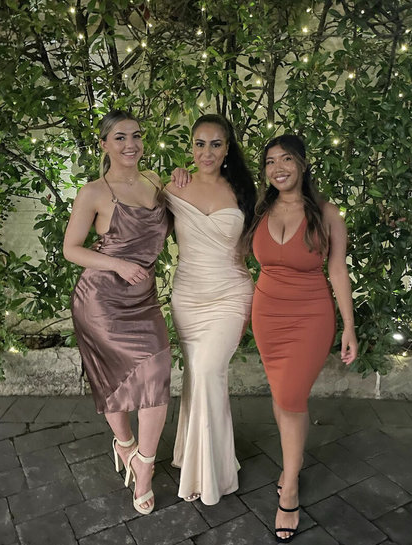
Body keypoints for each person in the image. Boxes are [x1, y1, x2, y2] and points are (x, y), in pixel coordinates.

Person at [63, 110, 187, 515]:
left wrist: (181, 179)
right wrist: (117, 264)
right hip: (100, 301)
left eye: (136, 135)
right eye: (120, 137)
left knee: (156, 375)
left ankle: (144, 465)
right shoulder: (94, 192)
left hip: (143, 299)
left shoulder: (154, 181)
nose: (130, 144)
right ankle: (125, 444)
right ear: (104, 144)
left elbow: (181, 214)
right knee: (111, 378)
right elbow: (71, 249)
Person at [250, 134, 358, 542]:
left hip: (310, 317)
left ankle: (291, 487)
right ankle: (290, 465)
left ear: (303, 163)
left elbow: (338, 271)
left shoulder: (327, 213)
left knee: (292, 398)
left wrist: (349, 326)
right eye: (270, 161)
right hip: (267, 316)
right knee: (282, 395)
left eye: (286, 159)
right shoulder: (259, 208)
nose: (278, 168)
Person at [165, 114, 257, 505]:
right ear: (191, 147)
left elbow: (262, 242)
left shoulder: (243, 191)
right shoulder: (173, 187)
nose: (207, 152)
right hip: (188, 296)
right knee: (196, 376)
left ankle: (212, 473)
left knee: (207, 371)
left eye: (215, 144)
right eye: (199, 144)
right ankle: (195, 460)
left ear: (227, 148)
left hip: (230, 295)